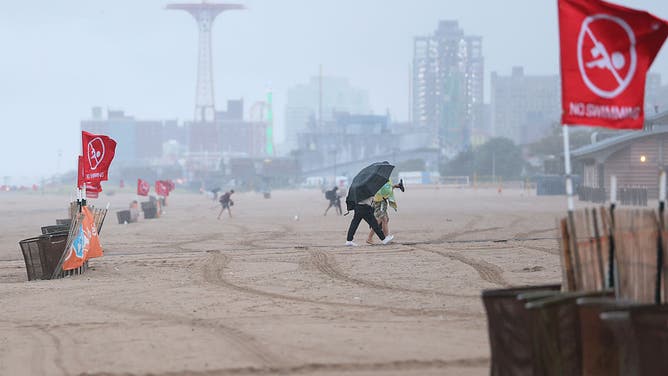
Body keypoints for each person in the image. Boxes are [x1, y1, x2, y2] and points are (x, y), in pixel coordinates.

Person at [366, 179, 404, 244]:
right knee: (379, 220)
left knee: (385, 219)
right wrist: (394, 187)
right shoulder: (381, 179)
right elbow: (385, 190)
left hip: (380, 200)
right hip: (380, 201)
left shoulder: (381, 178)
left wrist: (395, 186)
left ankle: (386, 238)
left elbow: (386, 188)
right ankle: (369, 238)